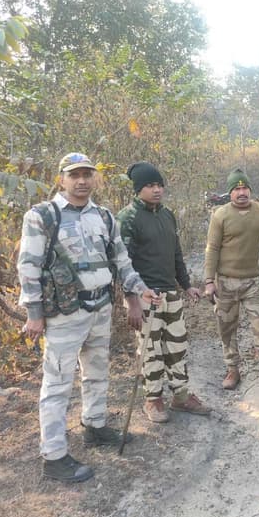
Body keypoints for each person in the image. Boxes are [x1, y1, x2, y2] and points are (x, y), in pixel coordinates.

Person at [18, 152, 160, 483]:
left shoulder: (105, 217)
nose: (82, 180)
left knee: (96, 373)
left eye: (87, 174)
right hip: (64, 314)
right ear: (61, 179)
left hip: (100, 309)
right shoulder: (42, 216)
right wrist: (34, 313)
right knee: (57, 385)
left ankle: (95, 427)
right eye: (74, 175)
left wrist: (140, 289)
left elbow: (121, 262)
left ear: (94, 178)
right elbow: (28, 266)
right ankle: (54, 456)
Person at [117, 162, 212, 423]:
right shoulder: (128, 218)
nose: (157, 190)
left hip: (171, 294)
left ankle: (181, 396)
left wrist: (186, 285)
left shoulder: (167, 214)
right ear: (138, 189)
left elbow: (176, 252)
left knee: (177, 347)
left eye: (159, 185)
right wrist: (132, 302)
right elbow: (123, 264)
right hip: (146, 296)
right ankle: (153, 399)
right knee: (151, 351)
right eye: (150, 185)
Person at [203, 169, 259, 391]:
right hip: (225, 282)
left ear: (250, 189)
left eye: (245, 188)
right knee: (226, 328)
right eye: (236, 189)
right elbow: (212, 248)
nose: (241, 192)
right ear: (230, 193)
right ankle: (232, 369)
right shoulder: (220, 215)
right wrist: (209, 281)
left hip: (252, 282)